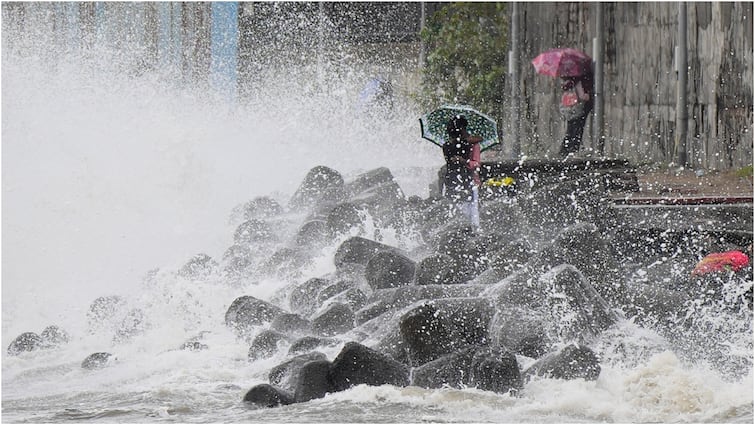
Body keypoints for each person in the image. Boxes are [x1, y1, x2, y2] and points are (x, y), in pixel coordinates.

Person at [441, 115, 482, 229]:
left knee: (471, 209)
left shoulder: (472, 144)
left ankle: (471, 229)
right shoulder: (452, 145)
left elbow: (476, 163)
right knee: (457, 207)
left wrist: (464, 161)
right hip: (455, 179)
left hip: (469, 179)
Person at [559, 70, 594, 157]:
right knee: (577, 130)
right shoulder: (577, 82)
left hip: (569, 110)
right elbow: (583, 97)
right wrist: (588, 95)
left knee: (569, 130)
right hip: (578, 109)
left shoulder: (566, 83)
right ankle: (573, 149)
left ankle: (564, 150)